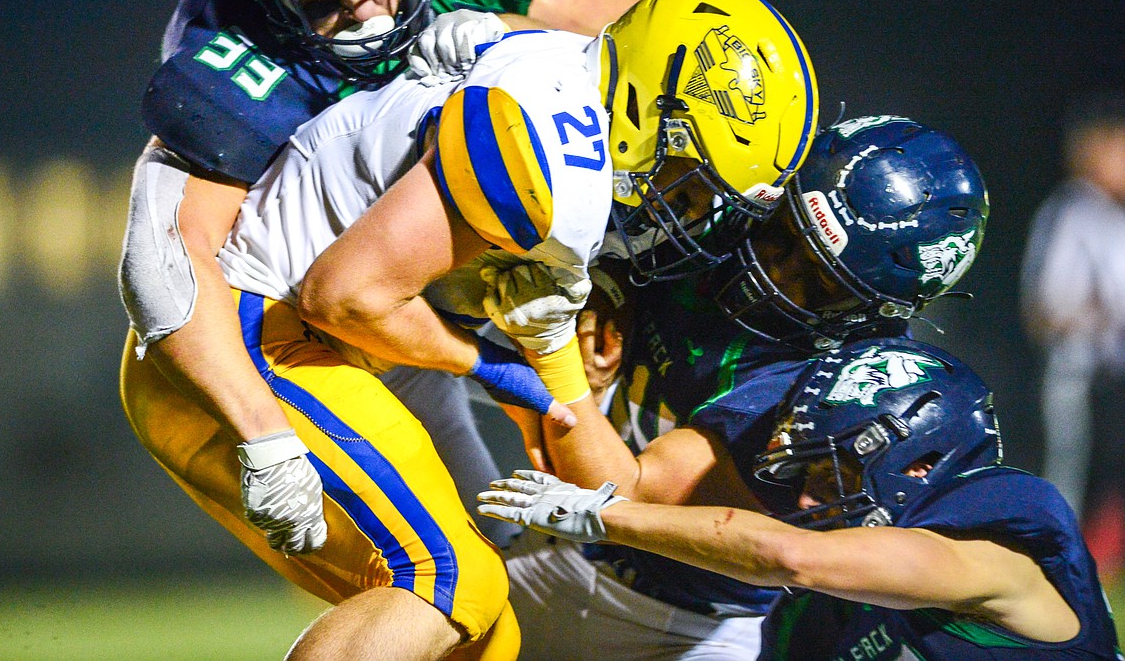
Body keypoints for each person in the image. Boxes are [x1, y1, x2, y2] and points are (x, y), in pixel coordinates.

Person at [122, 0, 819, 660]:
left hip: (332, 346)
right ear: (646, 107)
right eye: (689, 178)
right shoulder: (551, 165)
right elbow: (344, 297)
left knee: (489, 637)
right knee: (448, 579)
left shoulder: (565, 65)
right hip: (259, 334)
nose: (689, 210)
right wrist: (492, 364)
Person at [118, 0, 649, 556]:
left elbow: (652, 60)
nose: (368, 12)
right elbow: (167, 259)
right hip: (323, 317)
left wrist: (510, 38)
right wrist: (263, 436)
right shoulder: (227, 62)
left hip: (449, 277)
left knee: (554, 538)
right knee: (462, 571)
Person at [488, 116, 991, 659]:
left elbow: (618, 496)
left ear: (878, 311)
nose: (772, 271)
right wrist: (605, 291)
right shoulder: (725, 212)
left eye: (818, 279)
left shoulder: (844, 384)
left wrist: (554, 343)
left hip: (677, 624)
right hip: (556, 539)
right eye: (784, 233)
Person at [478, 338, 1124, 659]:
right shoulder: (833, 612)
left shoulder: (990, 556)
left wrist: (602, 516)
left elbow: (787, 556)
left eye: (834, 476)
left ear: (920, 466)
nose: (811, 502)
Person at [1021, 91, 1125, 587]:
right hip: (1077, 375)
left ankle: (1095, 565)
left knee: (1106, 477)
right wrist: (1100, 315)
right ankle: (1057, 570)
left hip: (1112, 376)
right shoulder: (1071, 211)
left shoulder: (1113, 216)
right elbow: (1044, 308)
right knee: (1069, 477)